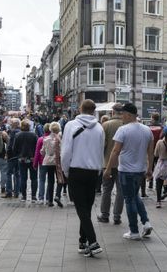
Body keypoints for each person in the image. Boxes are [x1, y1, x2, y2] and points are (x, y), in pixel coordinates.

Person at [104, 102, 154, 242]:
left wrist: (108, 169)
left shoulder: (123, 130)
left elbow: (115, 151)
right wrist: (149, 169)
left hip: (126, 170)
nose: (121, 118)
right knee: (135, 196)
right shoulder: (146, 130)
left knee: (129, 199)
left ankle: (134, 231)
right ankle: (146, 222)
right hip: (140, 170)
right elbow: (150, 152)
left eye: (122, 115)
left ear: (128, 115)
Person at [61, 99, 105, 257]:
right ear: (93, 110)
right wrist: (99, 169)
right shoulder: (99, 127)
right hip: (93, 171)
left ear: (80, 109)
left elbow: (66, 150)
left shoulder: (71, 125)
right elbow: (101, 150)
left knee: (81, 208)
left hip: (76, 170)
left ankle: (92, 241)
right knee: (86, 208)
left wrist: (66, 170)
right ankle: (82, 242)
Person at [98, 103, 124, 225]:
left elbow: (102, 145)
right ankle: (117, 216)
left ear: (112, 112)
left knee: (106, 190)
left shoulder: (106, 125)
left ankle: (104, 215)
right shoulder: (126, 125)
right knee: (120, 191)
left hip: (107, 162)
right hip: (123, 164)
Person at [14, 119, 39, 202]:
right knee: (34, 178)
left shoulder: (18, 135)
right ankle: (33, 196)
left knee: (23, 178)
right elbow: (37, 148)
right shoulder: (34, 135)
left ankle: (24, 196)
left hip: (22, 160)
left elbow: (15, 148)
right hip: (32, 159)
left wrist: (18, 155)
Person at [41, 122, 61, 207]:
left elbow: (42, 151)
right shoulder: (60, 139)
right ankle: (57, 195)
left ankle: (50, 201)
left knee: (50, 180)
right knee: (60, 179)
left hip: (48, 161)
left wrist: (46, 154)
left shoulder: (46, 139)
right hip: (57, 161)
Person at [3, 118, 22, 198]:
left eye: (11, 123)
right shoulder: (21, 132)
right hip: (19, 156)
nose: (10, 124)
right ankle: (17, 192)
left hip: (12, 156)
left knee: (8, 173)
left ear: (15, 124)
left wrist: (7, 154)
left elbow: (10, 145)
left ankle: (9, 192)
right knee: (17, 174)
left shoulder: (13, 132)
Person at [34, 125, 49, 204]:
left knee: (42, 180)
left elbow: (37, 153)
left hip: (42, 162)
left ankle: (41, 198)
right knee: (50, 180)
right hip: (51, 163)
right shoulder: (55, 139)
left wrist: (35, 164)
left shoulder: (40, 139)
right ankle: (48, 198)